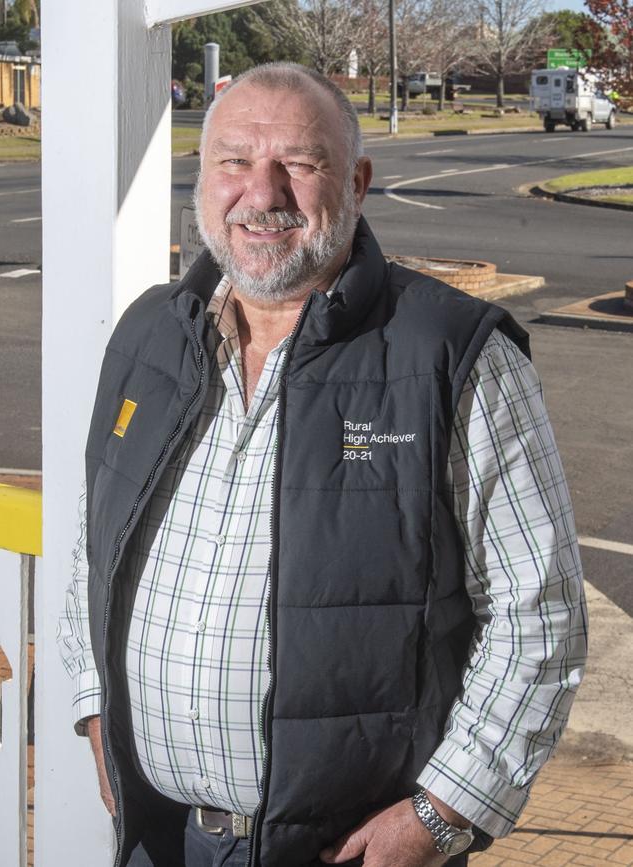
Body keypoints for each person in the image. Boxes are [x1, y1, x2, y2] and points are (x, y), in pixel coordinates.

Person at [57, 62, 587, 867]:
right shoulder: (148, 336)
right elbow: (91, 545)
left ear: (359, 181)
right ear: (203, 179)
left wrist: (444, 812)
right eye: (234, 160)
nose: (261, 193)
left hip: (350, 851)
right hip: (159, 838)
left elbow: (538, 612)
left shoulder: (451, 353)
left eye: (298, 164)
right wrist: (97, 708)